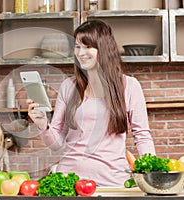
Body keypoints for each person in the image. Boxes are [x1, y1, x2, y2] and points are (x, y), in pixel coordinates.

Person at [27, 20, 156, 187]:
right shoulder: (69, 87)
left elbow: (142, 136)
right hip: (70, 181)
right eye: (78, 46)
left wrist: (152, 173)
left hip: (113, 182)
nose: (81, 53)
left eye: (88, 47)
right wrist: (43, 125)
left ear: (103, 48)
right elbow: (56, 143)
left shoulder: (129, 86)